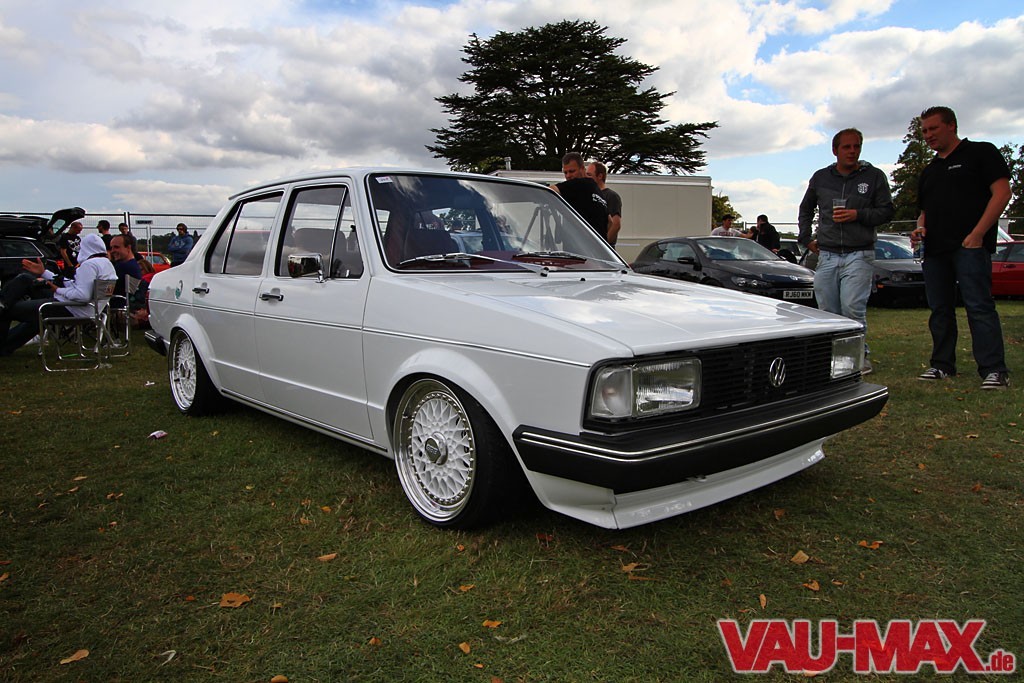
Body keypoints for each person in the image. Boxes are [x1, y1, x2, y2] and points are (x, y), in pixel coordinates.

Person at [911, 106, 1011, 389]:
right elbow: (924, 212)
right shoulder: (930, 170)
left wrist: (978, 234)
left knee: (978, 306)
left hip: (970, 246)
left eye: (933, 128)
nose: (928, 135)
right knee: (939, 309)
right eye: (924, 131)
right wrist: (920, 228)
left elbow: (1003, 193)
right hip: (935, 250)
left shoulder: (981, 152)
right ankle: (942, 365)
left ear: (951, 125)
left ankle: (994, 369)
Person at [798, 128, 894, 374]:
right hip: (827, 254)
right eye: (846, 147)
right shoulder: (821, 177)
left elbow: (887, 211)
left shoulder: (874, 176)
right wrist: (805, 238)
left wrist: (857, 214)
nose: (852, 151)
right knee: (827, 312)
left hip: (859, 253)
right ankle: (832, 360)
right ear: (835, 150)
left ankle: (859, 358)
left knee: (852, 308)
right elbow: (805, 209)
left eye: (856, 146)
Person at [0, 233, 116, 356]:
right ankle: (5, 338)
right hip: (84, 309)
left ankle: (3, 307)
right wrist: (44, 273)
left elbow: (82, 295)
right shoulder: (106, 264)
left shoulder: (89, 265)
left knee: (7, 311)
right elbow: (75, 285)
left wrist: (58, 290)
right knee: (26, 280)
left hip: (71, 309)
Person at [549, 152, 609, 241]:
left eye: (572, 171)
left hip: (581, 246)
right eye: (565, 172)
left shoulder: (580, 184)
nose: (568, 176)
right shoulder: (596, 190)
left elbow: (549, 191)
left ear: (582, 169)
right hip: (597, 247)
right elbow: (610, 222)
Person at [586, 161, 622, 246]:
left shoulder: (611, 196)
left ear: (600, 176)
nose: (586, 178)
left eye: (589, 175)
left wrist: (603, 245)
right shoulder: (589, 195)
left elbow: (616, 224)